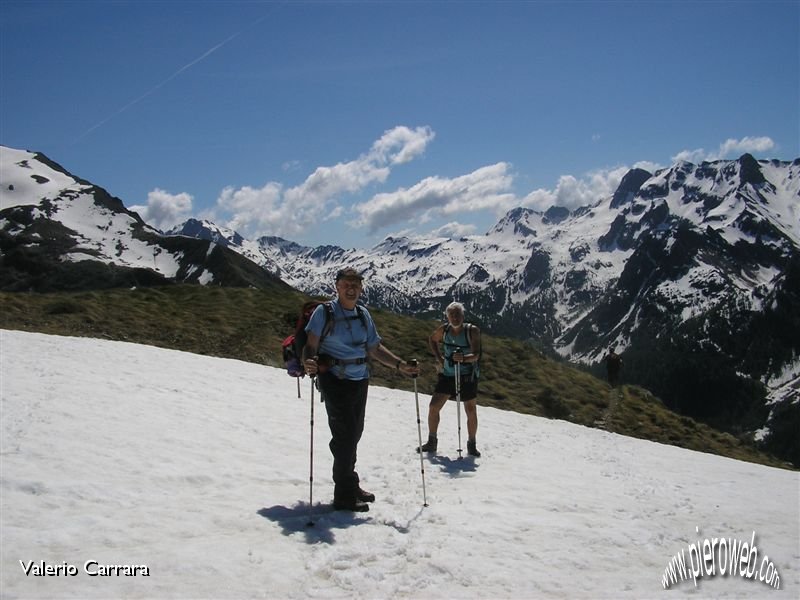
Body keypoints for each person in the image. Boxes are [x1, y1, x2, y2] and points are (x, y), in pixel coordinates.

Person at [303, 268, 420, 512]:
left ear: (361, 288)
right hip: (334, 379)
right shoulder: (323, 313)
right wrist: (309, 362)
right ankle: (343, 496)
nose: (351, 288)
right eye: (346, 284)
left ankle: (350, 482)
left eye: (356, 284)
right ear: (337, 286)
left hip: (359, 379)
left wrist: (399, 365)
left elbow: (374, 349)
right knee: (344, 436)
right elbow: (310, 345)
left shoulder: (362, 314)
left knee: (354, 433)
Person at [418, 302, 482, 458]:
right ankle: (432, 441)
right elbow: (432, 339)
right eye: (451, 315)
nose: (454, 317)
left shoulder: (471, 331)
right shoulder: (444, 330)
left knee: (471, 409)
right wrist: (440, 358)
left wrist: (464, 358)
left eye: (457, 314)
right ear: (447, 317)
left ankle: (472, 443)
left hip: (467, 376)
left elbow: (477, 354)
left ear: (463, 315)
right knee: (434, 406)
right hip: (448, 374)